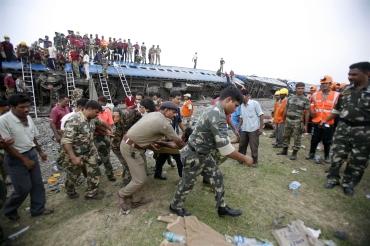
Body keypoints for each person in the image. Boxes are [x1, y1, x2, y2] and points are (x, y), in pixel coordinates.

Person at [170, 86, 254, 217]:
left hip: (203, 154)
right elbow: (225, 150)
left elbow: (217, 138)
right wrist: (245, 158)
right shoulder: (217, 114)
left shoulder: (214, 110)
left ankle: (222, 207)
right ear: (229, 100)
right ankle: (175, 206)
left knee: (217, 177)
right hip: (194, 155)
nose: (235, 109)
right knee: (187, 183)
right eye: (236, 105)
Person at [117, 101, 184, 214]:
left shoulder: (154, 114)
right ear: (166, 110)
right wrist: (183, 143)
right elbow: (179, 144)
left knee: (141, 173)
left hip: (132, 145)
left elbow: (146, 132)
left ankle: (134, 198)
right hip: (131, 149)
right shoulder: (164, 124)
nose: (174, 115)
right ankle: (122, 194)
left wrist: (154, 142)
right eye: (173, 112)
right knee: (140, 179)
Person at [0, 94, 53, 220]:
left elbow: (32, 136)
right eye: (22, 107)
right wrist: (24, 160)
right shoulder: (3, 121)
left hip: (31, 152)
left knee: (37, 184)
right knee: (23, 188)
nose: (26, 110)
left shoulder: (28, 117)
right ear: (12, 107)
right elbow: (7, 146)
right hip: (15, 157)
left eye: (28, 106)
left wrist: (40, 152)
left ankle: (38, 209)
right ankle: (9, 210)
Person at [325, 62, 370, 196]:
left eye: (354, 74)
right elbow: (337, 109)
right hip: (343, 128)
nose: (350, 77)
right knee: (336, 156)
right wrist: (326, 120)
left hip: (364, 132)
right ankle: (332, 179)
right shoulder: (345, 90)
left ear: (367, 73)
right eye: (349, 74)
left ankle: (348, 183)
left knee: (358, 160)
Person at [61, 100, 104, 199]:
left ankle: (91, 193)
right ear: (89, 109)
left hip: (89, 151)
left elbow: (101, 123)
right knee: (73, 175)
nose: (97, 114)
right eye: (96, 112)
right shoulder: (74, 119)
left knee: (94, 170)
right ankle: (70, 191)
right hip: (75, 153)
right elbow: (66, 140)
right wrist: (73, 157)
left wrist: (108, 130)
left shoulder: (92, 118)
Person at [306, 76, 339, 163]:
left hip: (328, 122)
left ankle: (326, 156)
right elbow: (311, 105)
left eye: (325, 83)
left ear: (330, 84)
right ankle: (311, 154)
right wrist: (311, 111)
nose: (323, 85)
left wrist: (325, 120)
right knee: (314, 139)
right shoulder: (315, 94)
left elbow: (336, 110)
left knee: (327, 141)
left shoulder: (336, 95)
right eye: (322, 84)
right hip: (316, 121)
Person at [154, 92, 185, 180]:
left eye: (180, 99)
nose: (179, 101)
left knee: (163, 156)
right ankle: (182, 177)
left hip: (172, 137)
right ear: (172, 98)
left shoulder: (177, 109)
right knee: (178, 158)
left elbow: (179, 122)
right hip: (166, 138)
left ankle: (157, 174)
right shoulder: (163, 110)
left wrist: (185, 132)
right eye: (178, 99)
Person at [277, 82, 310, 160]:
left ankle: (294, 153)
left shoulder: (306, 99)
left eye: (302, 88)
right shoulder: (290, 98)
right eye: (299, 88)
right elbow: (286, 108)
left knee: (297, 137)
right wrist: (283, 118)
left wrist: (305, 125)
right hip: (288, 119)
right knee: (286, 135)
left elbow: (307, 112)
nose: (300, 90)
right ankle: (284, 151)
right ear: (295, 89)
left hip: (298, 121)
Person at [238, 91, 264, 166]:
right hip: (244, 129)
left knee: (254, 147)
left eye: (241, 96)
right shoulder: (241, 105)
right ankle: (241, 159)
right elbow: (241, 117)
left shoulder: (254, 103)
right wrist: (238, 128)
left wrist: (261, 128)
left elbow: (261, 115)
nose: (240, 98)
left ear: (247, 96)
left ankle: (254, 162)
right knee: (242, 145)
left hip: (253, 129)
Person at [95, 96, 115, 181]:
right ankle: (110, 174)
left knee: (106, 154)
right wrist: (106, 131)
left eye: (104, 104)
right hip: (97, 136)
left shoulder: (107, 111)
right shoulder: (95, 112)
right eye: (101, 103)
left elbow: (111, 123)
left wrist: (110, 131)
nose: (103, 106)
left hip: (107, 135)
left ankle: (99, 162)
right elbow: (97, 125)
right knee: (104, 154)